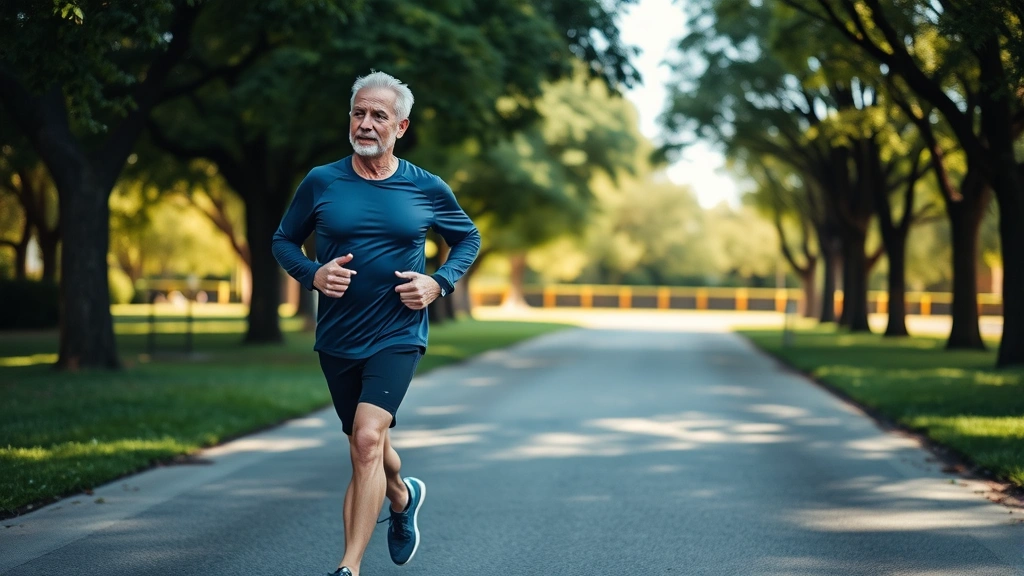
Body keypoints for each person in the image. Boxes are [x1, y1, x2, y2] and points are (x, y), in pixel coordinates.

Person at [272, 70, 481, 576]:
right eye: (358, 113)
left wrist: (439, 283)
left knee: (366, 439)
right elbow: (283, 240)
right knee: (368, 440)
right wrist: (312, 273)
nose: (365, 124)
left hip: (398, 332)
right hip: (339, 336)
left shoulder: (426, 187)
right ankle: (402, 495)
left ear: (401, 127)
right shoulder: (322, 181)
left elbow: (468, 239)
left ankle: (348, 567)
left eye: (378, 116)